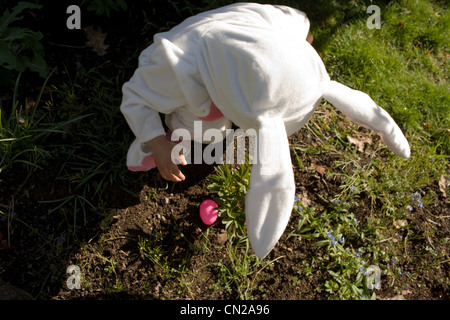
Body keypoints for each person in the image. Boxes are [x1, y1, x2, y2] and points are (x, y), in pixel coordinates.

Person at [120, 3, 410, 258]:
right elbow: (135, 98)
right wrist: (156, 141)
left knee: (221, 126)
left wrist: (302, 52)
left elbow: (300, 21)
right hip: (196, 77)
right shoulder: (171, 65)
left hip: (229, 50)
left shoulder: (280, 26)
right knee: (206, 126)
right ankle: (169, 139)